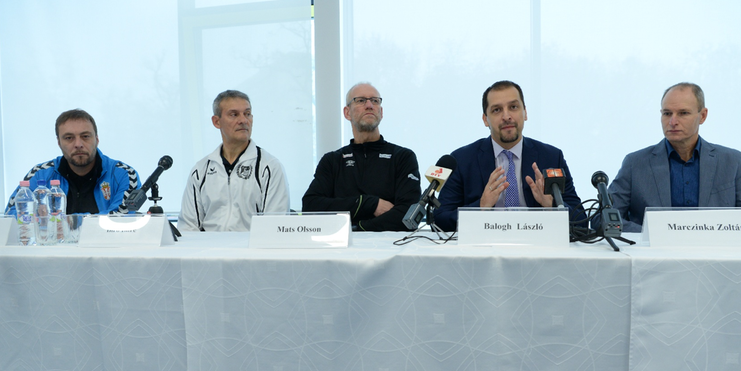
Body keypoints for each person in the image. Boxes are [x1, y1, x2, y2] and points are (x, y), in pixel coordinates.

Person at [605, 82, 741, 233]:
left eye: (683, 113)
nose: (672, 121)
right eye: (667, 113)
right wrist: (653, 234)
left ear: (703, 116)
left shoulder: (732, 161)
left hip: (715, 254)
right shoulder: (635, 163)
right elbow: (603, 218)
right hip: (655, 254)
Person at [433, 80, 583, 232]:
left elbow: (581, 221)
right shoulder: (462, 160)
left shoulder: (551, 157)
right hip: (483, 244)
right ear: (485, 119)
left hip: (536, 242)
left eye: (513, 107)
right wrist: (481, 207)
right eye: (497, 110)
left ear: (525, 113)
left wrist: (552, 206)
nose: (506, 116)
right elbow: (439, 220)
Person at [301, 82, 421, 231]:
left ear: (381, 112)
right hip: (341, 244)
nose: (369, 105)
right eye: (361, 100)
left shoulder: (403, 157)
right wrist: (368, 203)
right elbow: (311, 206)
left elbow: (408, 215)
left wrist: (359, 227)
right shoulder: (332, 160)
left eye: (375, 101)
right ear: (347, 113)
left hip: (389, 244)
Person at [178, 89, 290, 231]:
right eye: (234, 114)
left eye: (247, 114)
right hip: (208, 245)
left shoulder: (269, 167)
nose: (243, 120)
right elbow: (187, 227)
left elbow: (274, 226)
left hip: (251, 245)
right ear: (216, 121)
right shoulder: (200, 170)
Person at [5, 109, 140, 215]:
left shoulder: (125, 174)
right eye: (69, 138)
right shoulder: (40, 174)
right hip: (53, 244)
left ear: (97, 139)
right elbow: (11, 215)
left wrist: (60, 222)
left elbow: (121, 218)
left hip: (104, 244)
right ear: (59, 143)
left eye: (85, 136)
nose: (78, 144)